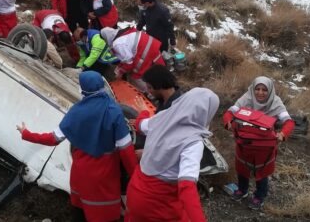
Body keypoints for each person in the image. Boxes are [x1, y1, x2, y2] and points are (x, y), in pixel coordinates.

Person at [16, 71, 137, 222]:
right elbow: (126, 149)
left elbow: (52, 139)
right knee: (104, 214)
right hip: (104, 175)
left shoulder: (76, 111)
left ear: (83, 89)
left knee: (80, 212)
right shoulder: (114, 111)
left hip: (80, 172)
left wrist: (26, 133)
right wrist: (136, 176)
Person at [126, 87, 219, 222]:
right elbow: (187, 187)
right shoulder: (193, 142)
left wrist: (144, 111)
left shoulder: (162, 117)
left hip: (135, 190)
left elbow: (140, 125)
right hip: (158, 204)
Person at [223, 76, 295, 210]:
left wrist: (282, 134)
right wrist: (227, 122)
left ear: (270, 91)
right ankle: (242, 190)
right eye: (257, 89)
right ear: (253, 89)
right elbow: (229, 112)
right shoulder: (246, 98)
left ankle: (259, 196)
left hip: (264, 147)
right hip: (244, 143)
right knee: (242, 167)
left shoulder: (276, 103)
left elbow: (289, 122)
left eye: (264, 90)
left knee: (262, 172)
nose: (260, 93)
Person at [100, 27, 165, 93]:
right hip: (151, 45)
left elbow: (129, 62)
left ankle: (147, 92)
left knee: (135, 75)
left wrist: (120, 72)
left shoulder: (117, 44)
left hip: (145, 51)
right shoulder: (123, 32)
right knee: (158, 71)